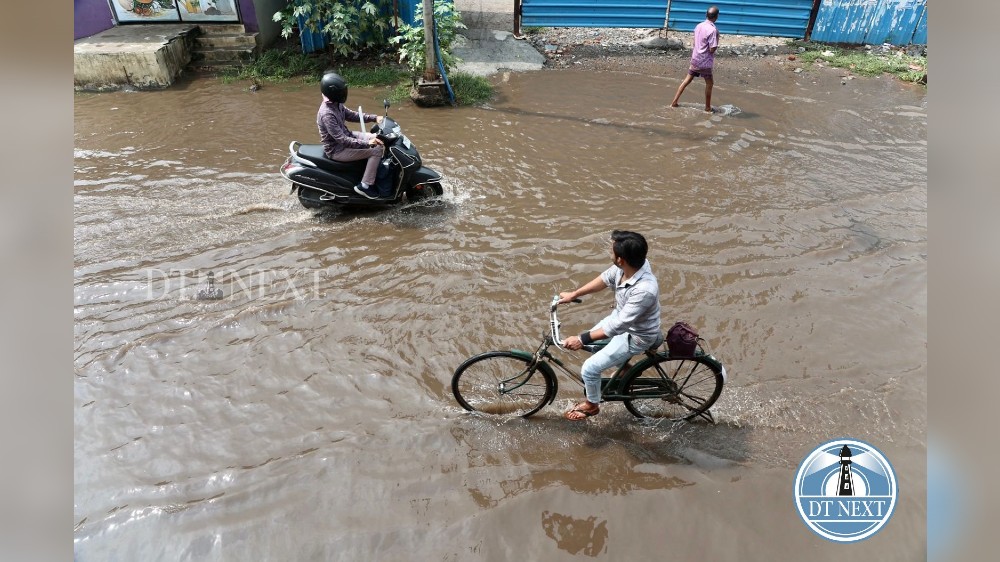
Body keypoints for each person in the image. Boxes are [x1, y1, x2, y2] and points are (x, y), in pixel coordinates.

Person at [558, 230, 662, 421]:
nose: (609, 253)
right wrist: (574, 294)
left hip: (635, 335)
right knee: (592, 344)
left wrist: (581, 339)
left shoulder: (644, 290)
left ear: (621, 259)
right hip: (622, 321)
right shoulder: (631, 266)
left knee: (589, 368)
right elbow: (606, 279)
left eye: (612, 251)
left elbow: (618, 327)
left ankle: (592, 405)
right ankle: (626, 369)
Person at [316, 71, 386, 199]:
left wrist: (374, 118)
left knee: (379, 138)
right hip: (337, 150)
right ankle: (365, 186)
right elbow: (342, 140)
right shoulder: (327, 114)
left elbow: (352, 115)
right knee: (376, 150)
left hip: (347, 137)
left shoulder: (336, 103)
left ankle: (375, 172)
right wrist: (367, 144)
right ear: (334, 93)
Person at [670, 6, 720, 113]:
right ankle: (707, 107)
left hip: (695, 58)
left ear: (706, 15)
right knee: (710, 83)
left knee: (687, 80)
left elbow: (695, 42)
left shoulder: (698, 26)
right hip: (705, 62)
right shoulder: (713, 30)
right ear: (716, 17)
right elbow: (712, 49)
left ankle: (674, 102)